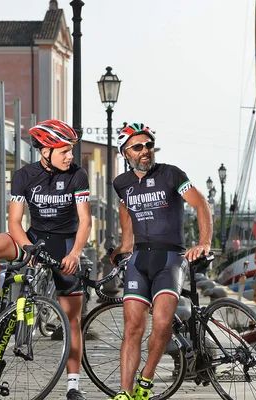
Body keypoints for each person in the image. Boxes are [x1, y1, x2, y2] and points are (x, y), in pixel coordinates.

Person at [0, 119, 91, 400]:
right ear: (45, 151)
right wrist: (27, 247)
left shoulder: (77, 175)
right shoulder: (24, 175)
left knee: (72, 319)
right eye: (64, 151)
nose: (70, 155)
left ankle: (73, 385)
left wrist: (75, 253)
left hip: (66, 244)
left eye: (71, 150)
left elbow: (85, 221)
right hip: (32, 239)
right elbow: (13, 221)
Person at [109, 123, 213, 400]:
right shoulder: (121, 184)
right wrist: (123, 248)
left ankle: (146, 379)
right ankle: (124, 392)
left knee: (164, 322)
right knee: (132, 328)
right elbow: (128, 220)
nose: (146, 151)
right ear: (125, 153)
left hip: (170, 259)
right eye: (138, 147)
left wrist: (204, 243)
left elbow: (201, 204)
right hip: (139, 259)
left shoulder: (171, 174)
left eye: (149, 145)